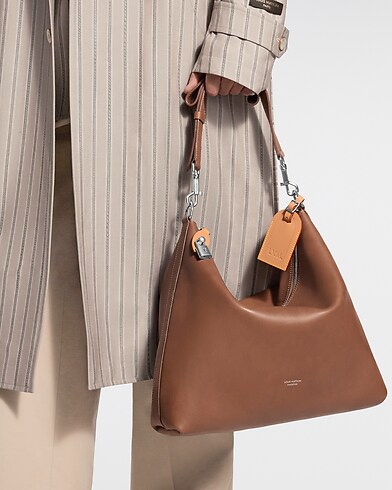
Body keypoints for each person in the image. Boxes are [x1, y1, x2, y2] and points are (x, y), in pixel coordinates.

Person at [0, 0, 289, 488]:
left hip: (176, 81)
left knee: (189, 408)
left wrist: (247, 28)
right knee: (27, 400)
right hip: (31, 88)